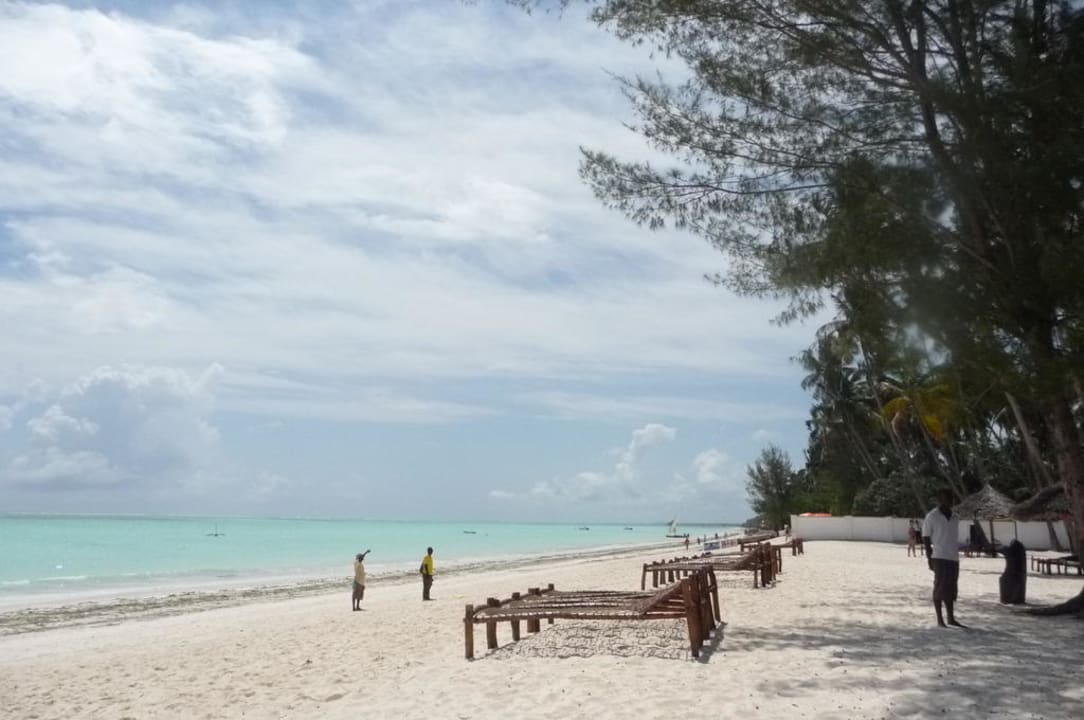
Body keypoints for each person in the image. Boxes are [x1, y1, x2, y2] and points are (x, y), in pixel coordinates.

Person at [922, 490, 966, 628]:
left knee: (951, 588)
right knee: (939, 587)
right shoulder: (932, 516)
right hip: (939, 556)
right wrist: (929, 558)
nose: (951, 501)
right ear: (941, 499)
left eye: (952, 498)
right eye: (948, 498)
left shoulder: (955, 517)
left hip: (953, 557)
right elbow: (926, 537)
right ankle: (940, 619)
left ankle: (951, 618)